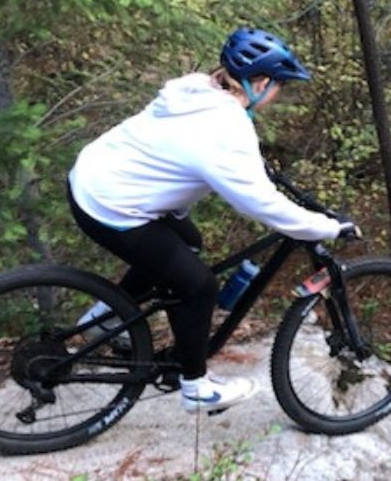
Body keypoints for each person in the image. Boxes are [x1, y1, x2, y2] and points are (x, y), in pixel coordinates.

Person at [66, 28, 358, 414]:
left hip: (95, 178)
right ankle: (196, 387)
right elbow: (263, 205)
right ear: (260, 82)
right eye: (279, 87)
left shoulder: (195, 89)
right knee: (200, 286)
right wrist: (326, 227)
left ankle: (105, 318)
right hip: (112, 205)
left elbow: (169, 153)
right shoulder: (225, 126)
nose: (277, 96)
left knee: (186, 245)